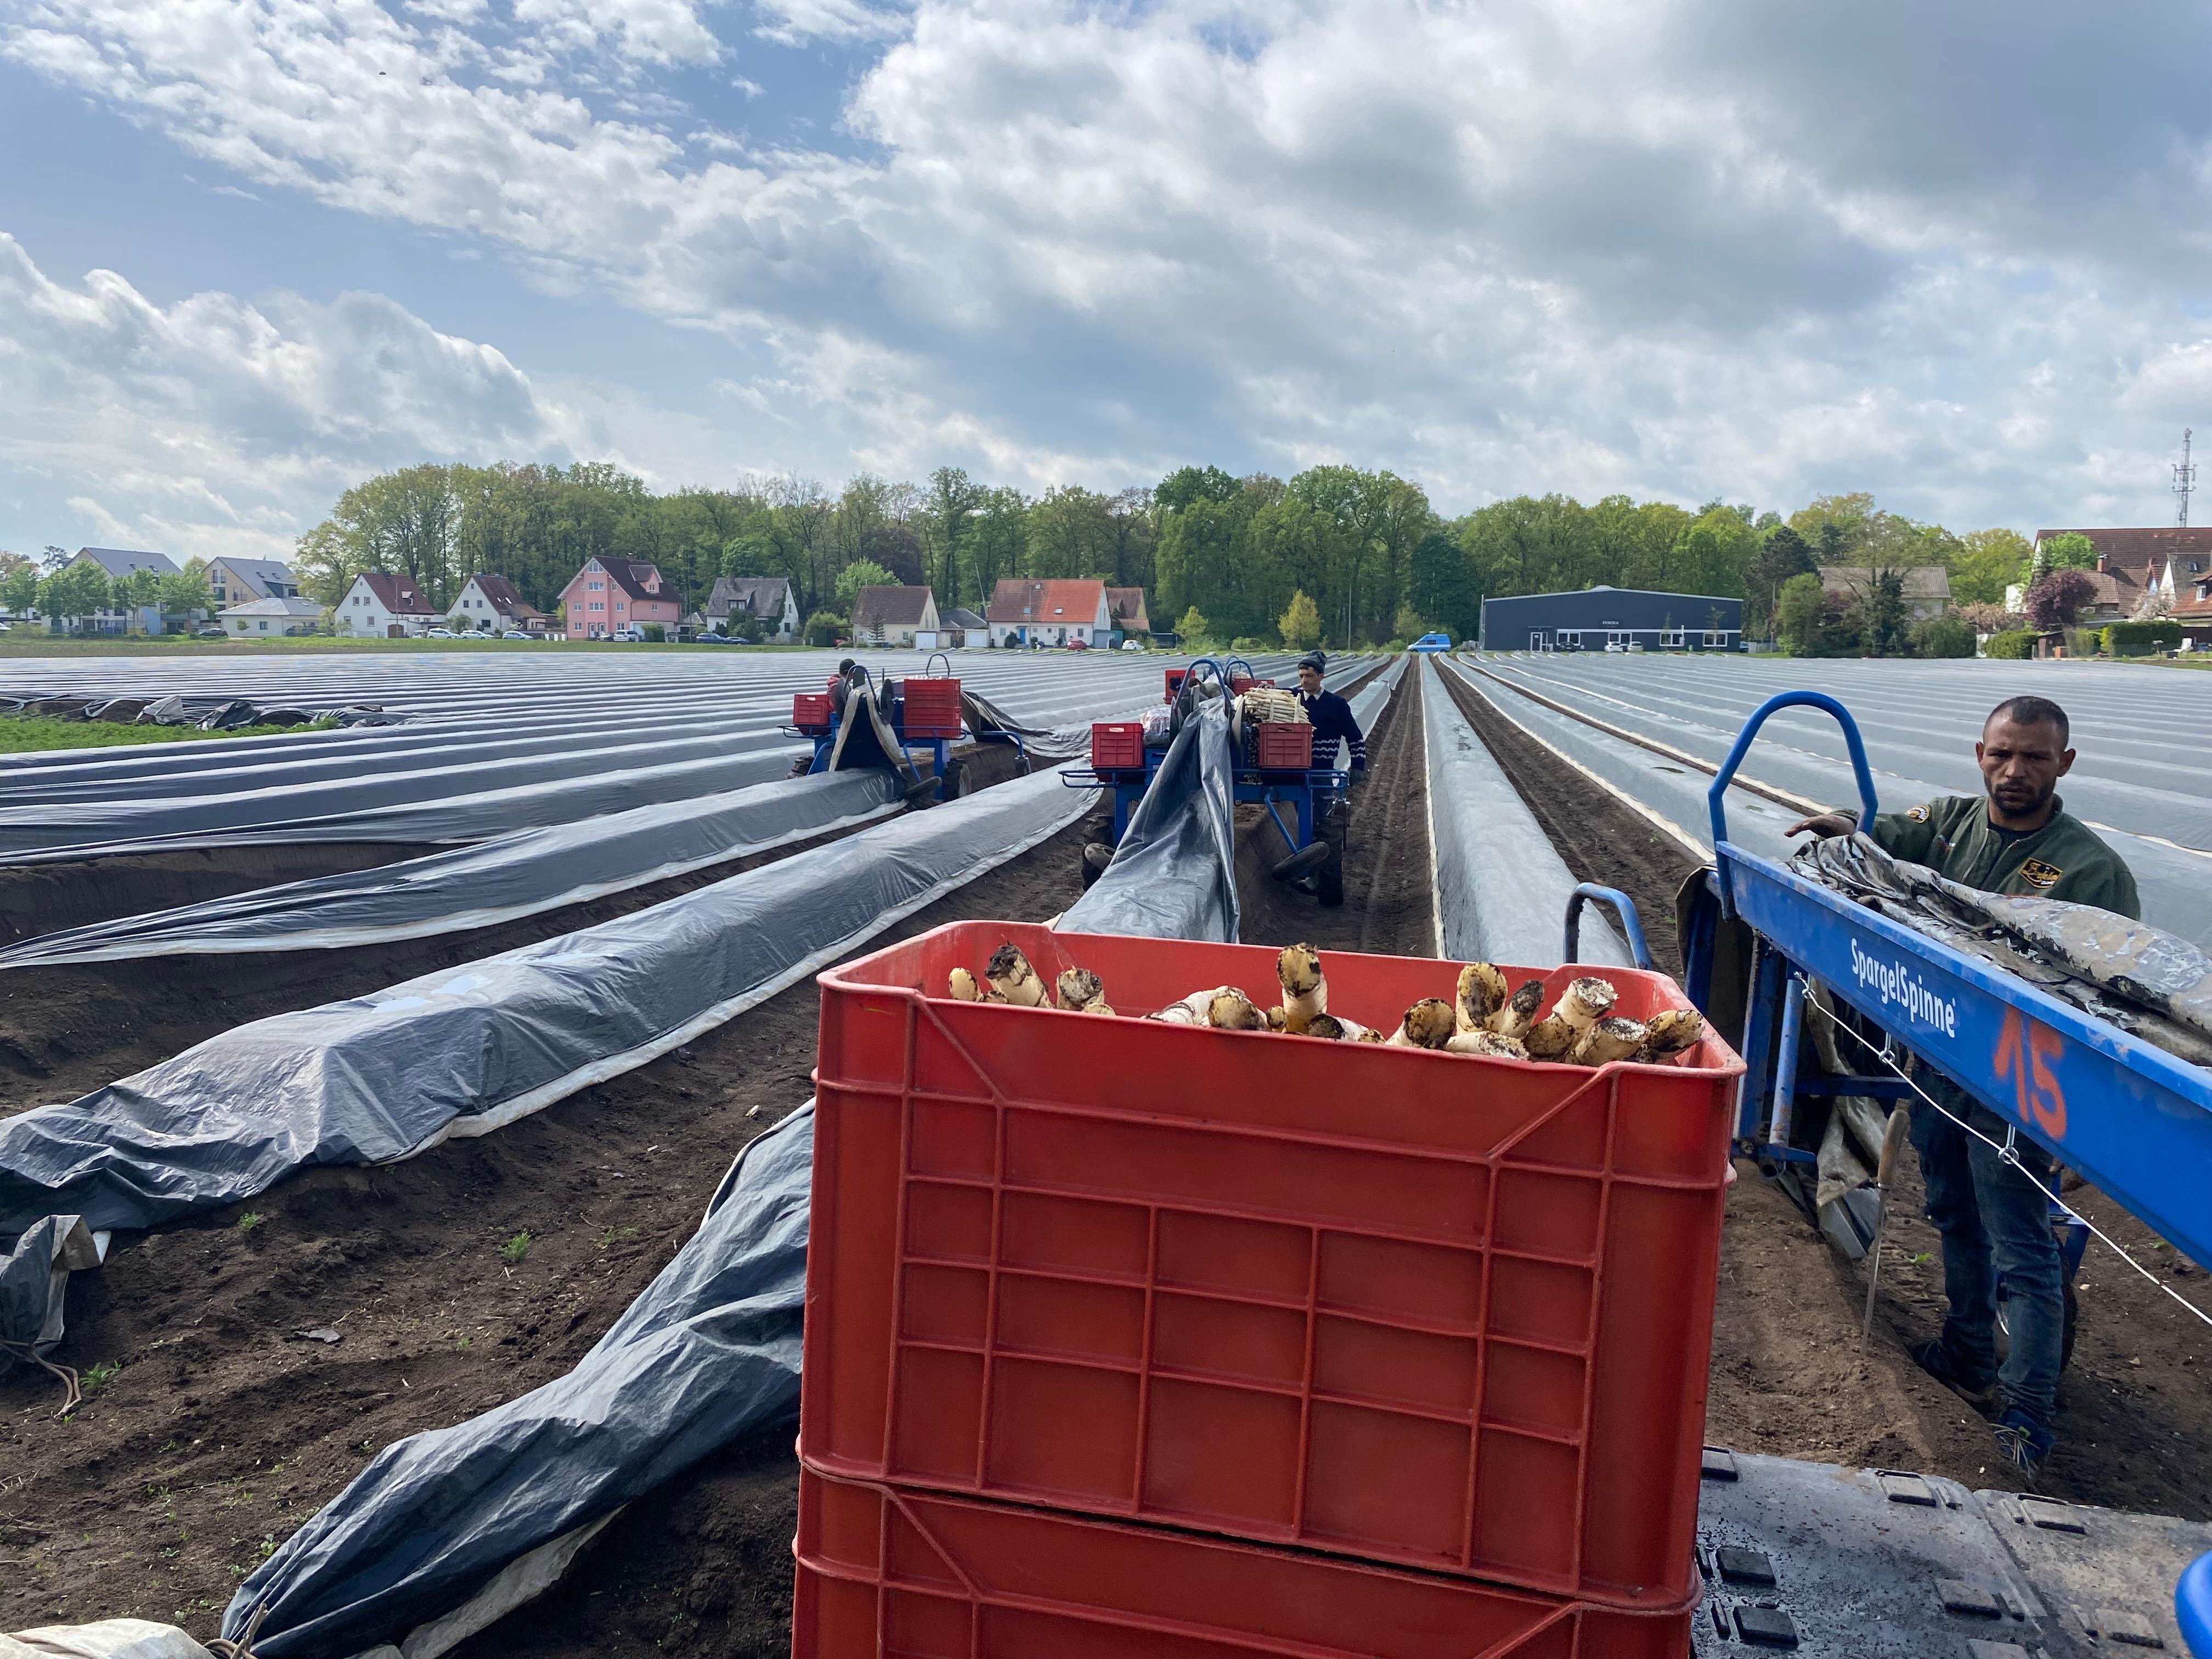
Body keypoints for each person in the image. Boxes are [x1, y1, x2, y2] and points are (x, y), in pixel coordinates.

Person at [1787, 695, 2138, 1479]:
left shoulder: (2089, 871)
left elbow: (2117, 1001)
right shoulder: (1950, 824)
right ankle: (1968, 1349)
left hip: (2022, 1084)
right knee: (1950, 1208)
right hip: (1943, 1062)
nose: (2015, 772)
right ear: (1980, 753)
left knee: (2021, 1243)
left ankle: (2025, 1416)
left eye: (2035, 758)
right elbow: (1883, 830)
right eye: (2002, 754)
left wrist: (2080, 1122)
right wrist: (1843, 823)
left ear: (2064, 765)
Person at [1294, 652, 1366, 780]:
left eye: (1309, 676)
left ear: (1321, 676)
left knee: (1322, 798)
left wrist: (1358, 766)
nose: (1304, 681)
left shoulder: (1336, 705)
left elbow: (1354, 736)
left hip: (1322, 773)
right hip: (1292, 772)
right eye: (1301, 676)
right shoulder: (1292, 699)